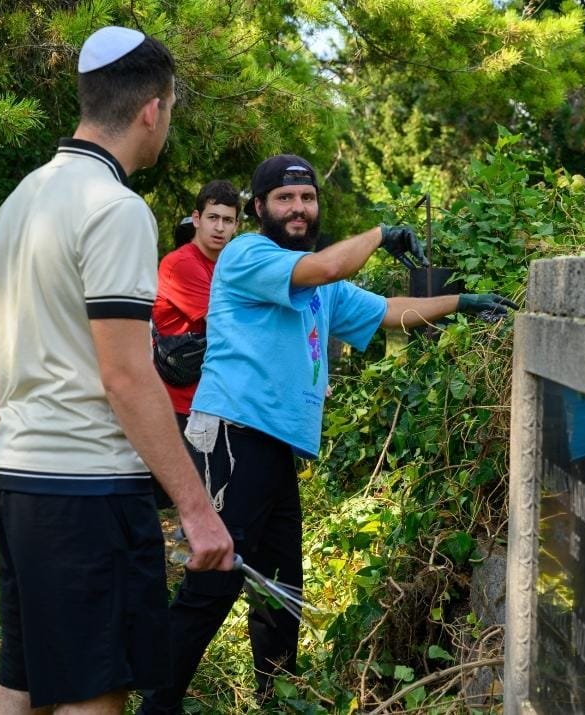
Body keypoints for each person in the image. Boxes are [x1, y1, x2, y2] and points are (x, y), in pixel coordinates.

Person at [138, 154, 516, 713]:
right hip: (235, 434)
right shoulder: (248, 254)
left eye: (308, 198)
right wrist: (381, 234)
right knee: (216, 578)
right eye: (285, 199)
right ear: (260, 207)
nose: (299, 208)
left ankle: (278, 695)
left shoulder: (319, 282)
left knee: (280, 585)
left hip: (275, 445)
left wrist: (464, 302)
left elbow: (391, 311)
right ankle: (156, 703)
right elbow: (325, 271)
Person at [0, 26, 234, 715]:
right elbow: (125, 374)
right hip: (86, 494)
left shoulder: (22, 199)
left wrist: (22, 436)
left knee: (24, 681)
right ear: (152, 108)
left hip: (16, 477)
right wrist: (198, 510)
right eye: (171, 110)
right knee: (95, 691)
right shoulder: (116, 209)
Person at [150, 181, 240, 507]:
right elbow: (226, 319)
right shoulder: (181, 264)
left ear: (236, 225)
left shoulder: (224, 265)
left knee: (216, 501)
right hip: (179, 403)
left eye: (227, 220)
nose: (219, 227)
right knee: (197, 504)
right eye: (213, 217)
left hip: (211, 401)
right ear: (197, 218)